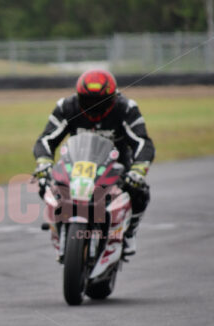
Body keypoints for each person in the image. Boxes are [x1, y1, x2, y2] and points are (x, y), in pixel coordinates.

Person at [32, 69, 154, 256]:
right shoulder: (66, 106)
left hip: (116, 169)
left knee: (140, 191)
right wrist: (44, 163)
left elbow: (143, 142)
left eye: (101, 101)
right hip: (76, 167)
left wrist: (138, 170)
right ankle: (59, 224)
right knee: (44, 182)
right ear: (79, 97)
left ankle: (129, 232)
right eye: (88, 101)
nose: (94, 106)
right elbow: (46, 140)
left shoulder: (126, 108)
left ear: (113, 98)